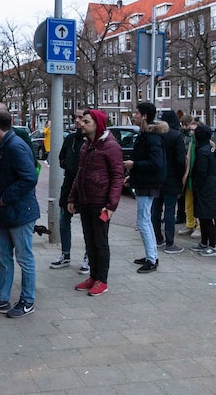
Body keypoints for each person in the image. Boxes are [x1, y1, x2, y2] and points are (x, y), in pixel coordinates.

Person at [0, 110, 40, 318]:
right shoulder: (6, 145)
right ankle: (2, 298)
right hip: (8, 213)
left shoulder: (14, 147)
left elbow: (29, 177)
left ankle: (28, 301)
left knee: (24, 258)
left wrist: (5, 197)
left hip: (20, 212)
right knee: (3, 255)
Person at [67, 109, 124, 296]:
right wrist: (72, 197)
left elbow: (117, 177)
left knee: (100, 243)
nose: (81, 124)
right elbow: (80, 173)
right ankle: (93, 275)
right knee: (89, 242)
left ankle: (102, 280)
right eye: (82, 120)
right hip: (85, 201)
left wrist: (111, 205)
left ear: (97, 124)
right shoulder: (86, 146)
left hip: (101, 204)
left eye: (86, 121)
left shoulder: (111, 146)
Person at [124, 102, 166, 274]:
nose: (133, 115)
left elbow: (156, 163)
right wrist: (132, 176)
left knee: (143, 221)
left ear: (144, 116)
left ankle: (151, 258)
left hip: (148, 184)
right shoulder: (145, 135)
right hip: (144, 182)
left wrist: (134, 166)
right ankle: (151, 255)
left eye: (136, 112)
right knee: (145, 220)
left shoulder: (151, 138)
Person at [52, 107, 89, 272]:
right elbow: (61, 158)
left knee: (87, 223)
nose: (77, 121)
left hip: (85, 187)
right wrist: (67, 164)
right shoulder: (70, 139)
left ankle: (89, 257)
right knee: (63, 220)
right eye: (76, 117)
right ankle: (65, 254)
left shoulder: (91, 141)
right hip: (68, 185)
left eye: (81, 117)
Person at [151, 110, 186, 253]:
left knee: (156, 209)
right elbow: (180, 160)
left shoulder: (154, 135)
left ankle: (157, 238)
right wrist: (181, 177)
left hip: (156, 178)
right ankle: (170, 243)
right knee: (170, 211)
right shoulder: (176, 136)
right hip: (171, 179)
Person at [188, 125, 216, 256]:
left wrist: (197, 186)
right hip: (211, 186)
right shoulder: (210, 149)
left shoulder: (203, 152)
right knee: (203, 216)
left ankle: (212, 245)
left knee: (207, 217)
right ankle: (204, 242)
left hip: (206, 188)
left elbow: (201, 172)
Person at [177, 114, 197, 235]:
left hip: (195, 175)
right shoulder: (185, 138)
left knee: (197, 201)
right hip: (188, 174)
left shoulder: (199, 141)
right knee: (188, 202)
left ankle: (199, 226)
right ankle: (190, 223)